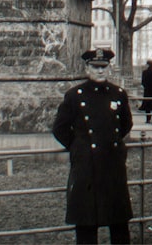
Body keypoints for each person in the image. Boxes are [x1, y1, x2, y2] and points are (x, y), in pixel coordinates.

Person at [52, 48, 133, 244]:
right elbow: (60, 128)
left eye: (103, 67)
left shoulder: (118, 94)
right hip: (87, 168)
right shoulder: (74, 95)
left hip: (112, 165)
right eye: (95, 67)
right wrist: (80, 146)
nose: (100, 71)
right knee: (87, 221)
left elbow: (125, 124)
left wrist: (110, 145)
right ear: (87, 68)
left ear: (109, 68)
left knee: (119, 222)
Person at [139, 60, 152, 124]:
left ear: (148, 65)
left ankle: (148, 119)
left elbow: (143, 82)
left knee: (147, 106)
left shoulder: (145, 72)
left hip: (147, 91)